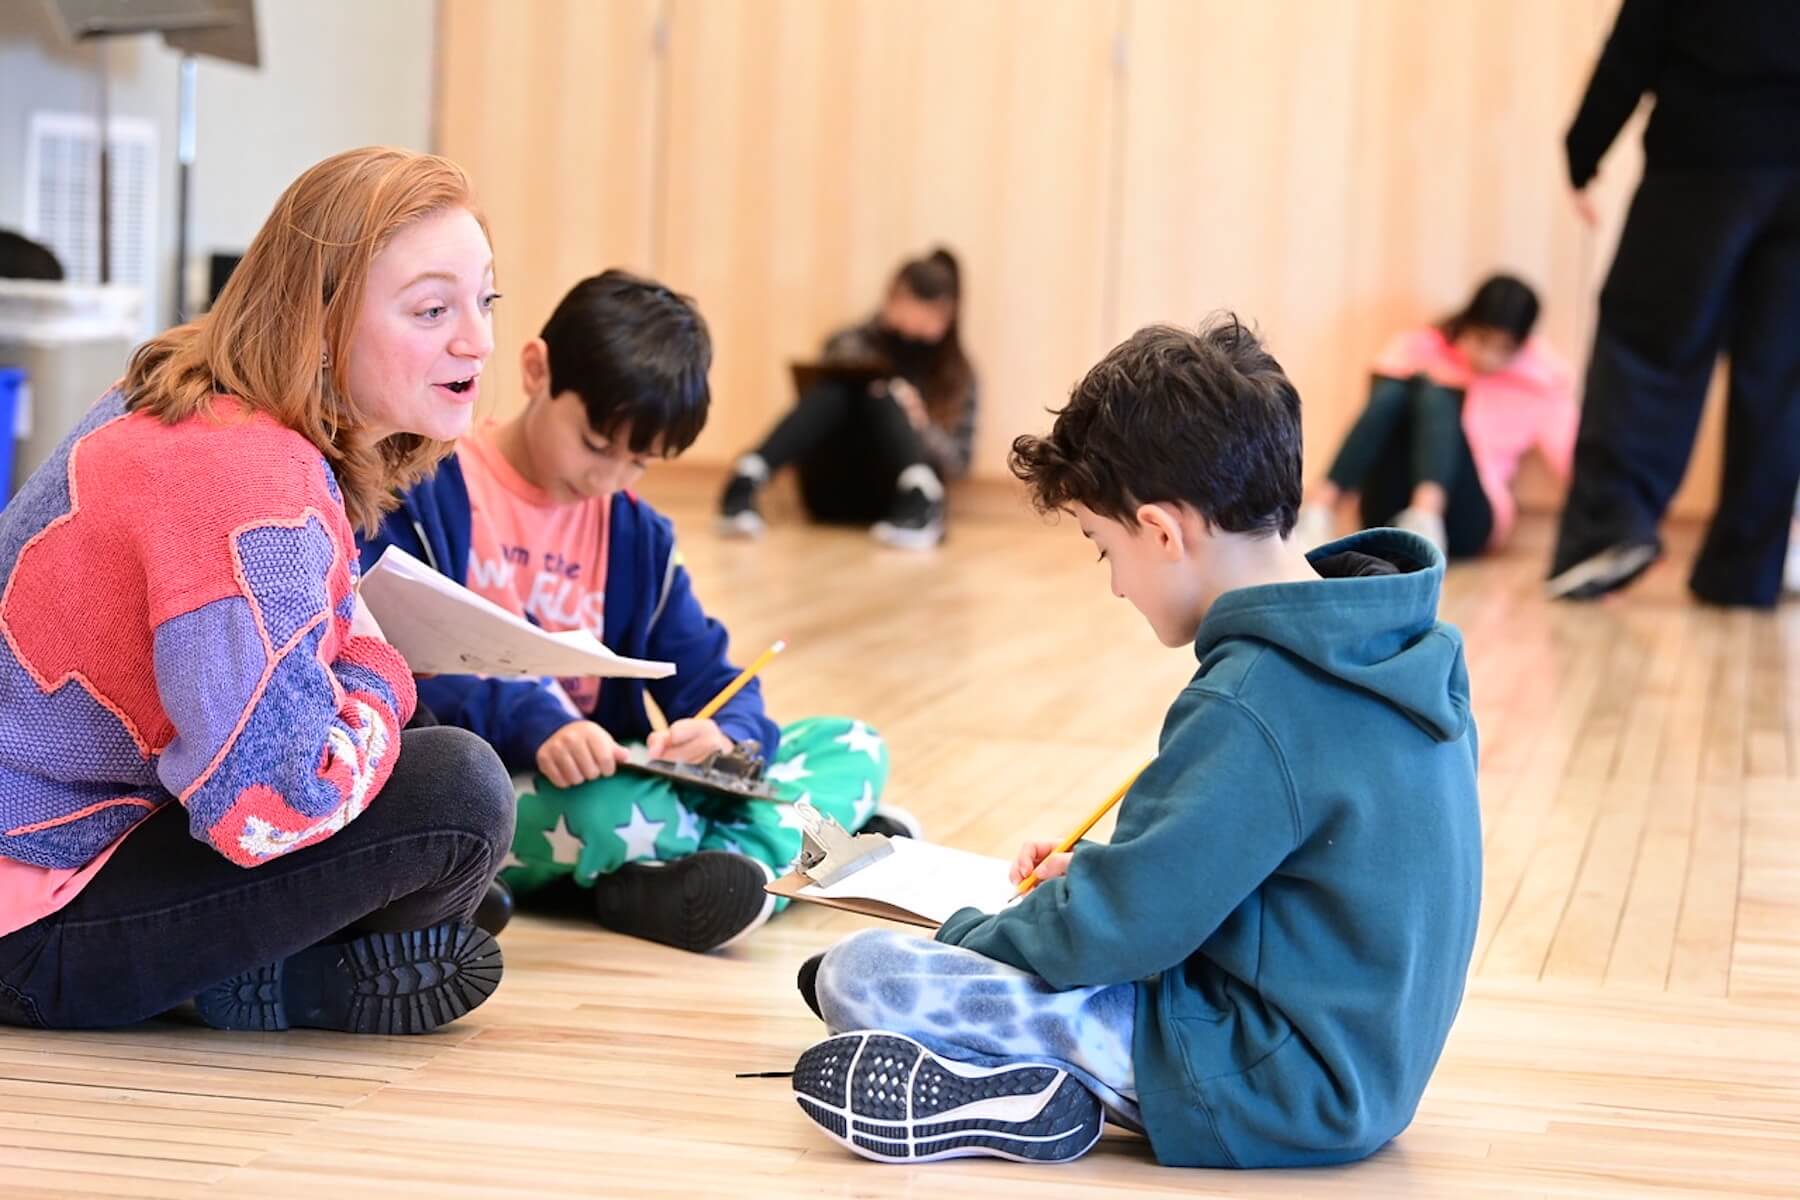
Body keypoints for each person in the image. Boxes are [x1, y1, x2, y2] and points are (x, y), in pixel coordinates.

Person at [787, 317, 1481, 1169]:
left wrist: (972, 932)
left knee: (866, 977)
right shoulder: (1396, 644)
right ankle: (1038, 1092)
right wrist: (1115, 879)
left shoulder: (1254, 700)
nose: (1114, 583)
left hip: (1263, 1081)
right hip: (1365, 1073)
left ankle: (1037, 1088)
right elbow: (1268, 881)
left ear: (1161, 530)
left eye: (1102, 546)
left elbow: (1125, 930)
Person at [0, 147, 515, 1034]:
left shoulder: (193, 384)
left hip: (67, 841)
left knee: (418, 775)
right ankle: (288, 977)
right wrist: (378, 666)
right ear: (318, 327)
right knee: (461, 795)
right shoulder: (249, 483)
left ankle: (294, 955)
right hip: (33, 925)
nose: (478, 339)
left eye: (484, 300)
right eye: (433, 310)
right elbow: (261, 810)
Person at [363, 270, 908, 955]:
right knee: (605, 811)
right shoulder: (427, 488)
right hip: (502, 785)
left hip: (627, 779)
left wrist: (726, 739)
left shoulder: (637, 538)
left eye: (639, 461)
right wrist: (539, 724)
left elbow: (713, 679)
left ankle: (671, 876)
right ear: (537, 370)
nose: (608, 477)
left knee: (852, 741)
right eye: (595, 444)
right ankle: (806, 849)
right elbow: (390, 667)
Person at [1547, 0, 1800, 606]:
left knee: (1646, 344)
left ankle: (1607, 532)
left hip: (1704, 161)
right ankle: (1743, 573)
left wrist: (1584, 151)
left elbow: (1634, 47)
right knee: (1781, 377)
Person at [1296, 274, 1575, 558]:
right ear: (1467, 323)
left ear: (1522, 346)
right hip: (1392, 507)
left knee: (1439, 394)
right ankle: (1318, 510)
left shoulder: (1539, 382)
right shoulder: (1420, 348)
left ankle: (1426, 515)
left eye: (1505, 349)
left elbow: (1574, 458)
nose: (1489, 358)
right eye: (1482, 340)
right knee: (1396, 389)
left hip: (1469, 518)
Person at [718, 249, 977, 550]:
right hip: (833, 489)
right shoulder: (850, 342)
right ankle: (747, 476)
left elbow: (960, 462)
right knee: (844, 386)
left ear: (946, 314)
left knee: (886, 395)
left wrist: (919, 424)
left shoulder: (959, 375)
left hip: (894, 495)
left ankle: (918, 498)